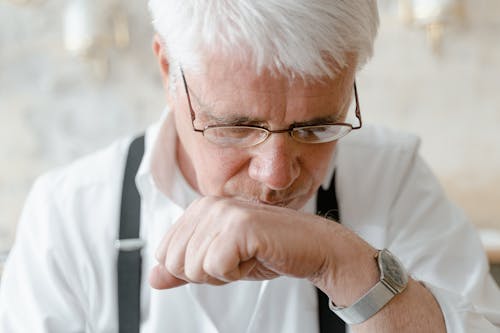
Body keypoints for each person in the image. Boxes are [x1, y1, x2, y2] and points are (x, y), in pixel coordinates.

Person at [1, 1, 499, 332]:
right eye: (235, 128)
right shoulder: (69, 213)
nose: (277, 175)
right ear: (167, 70)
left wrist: (344, 263)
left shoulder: (393, 179)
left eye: (315, 127)